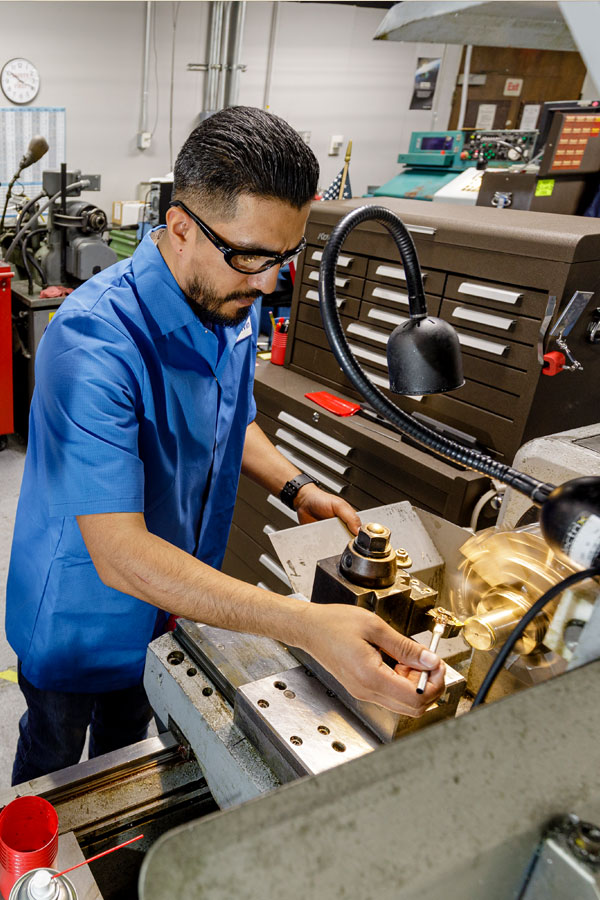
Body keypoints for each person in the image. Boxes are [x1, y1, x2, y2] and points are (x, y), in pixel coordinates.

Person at [6, 106, 445, 785]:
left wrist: (297, 487)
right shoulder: (91, 342)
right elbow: (119, 553)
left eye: (284, 258)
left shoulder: (231, 296)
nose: (269, 282)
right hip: (82, 615)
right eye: (252, 257)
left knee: (129, 751)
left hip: (175, 604)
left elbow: (231, 419)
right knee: (54, 767)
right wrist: (305, 624)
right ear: (181, 227)